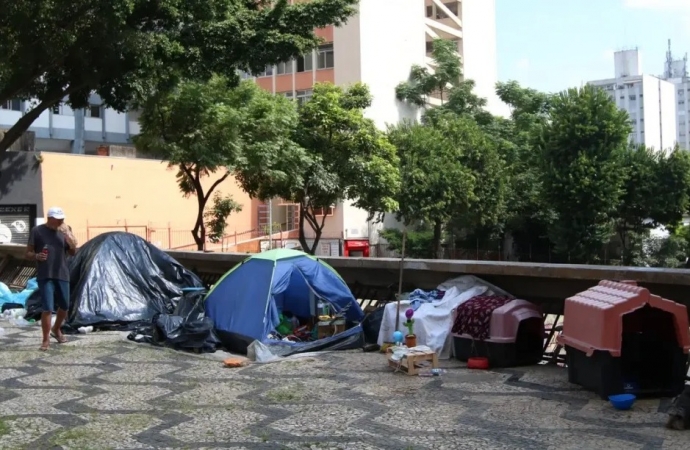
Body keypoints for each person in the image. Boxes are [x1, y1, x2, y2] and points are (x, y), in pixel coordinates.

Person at [25, 207, 78, 351]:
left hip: (62, 273)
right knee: (47, 307)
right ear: (50, 218)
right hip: (45, 274)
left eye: (62, 218)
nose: (61, 221)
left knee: (65, 305)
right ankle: (45, 339)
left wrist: (68, 236)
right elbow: (28, 252)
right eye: (58, 219)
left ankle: (56, 329)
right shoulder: (37, 231)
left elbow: (73, 252)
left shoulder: (65, 229)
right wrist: (36, 256)